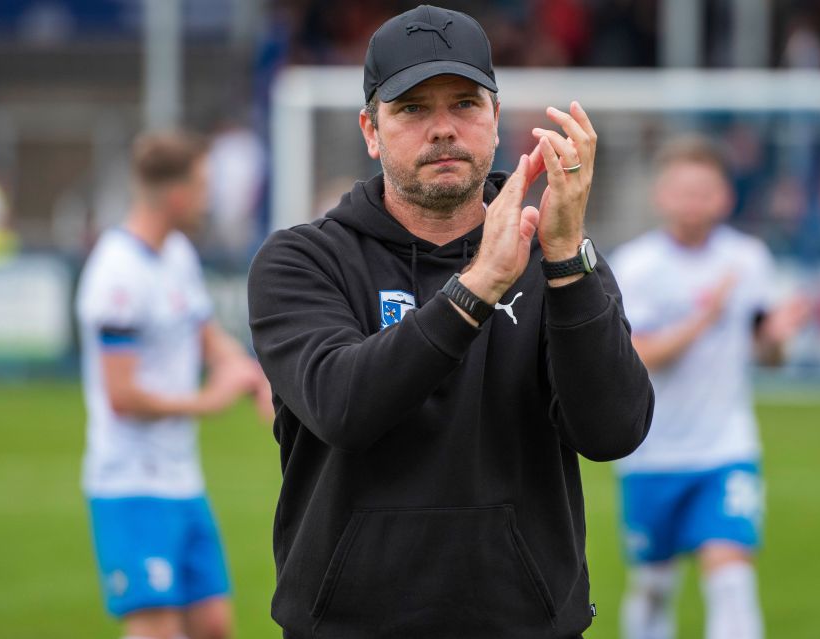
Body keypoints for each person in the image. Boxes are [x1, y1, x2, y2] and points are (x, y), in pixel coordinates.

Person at [247, 5, 655, 638]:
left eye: (464, 104)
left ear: (496, 120)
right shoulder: (303, 259)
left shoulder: (555, 256)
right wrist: (478, 286)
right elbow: (344, 406)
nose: (443, 128)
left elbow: (614, 431)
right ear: (371, 130)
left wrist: (569, 261)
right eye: (412, 108)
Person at [609, 136, 810, 639]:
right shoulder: (637, 265)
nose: (694, 200)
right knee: (654, 585)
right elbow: (640, 354)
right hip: (651, 453)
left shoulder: (748, 259)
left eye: (706, 190)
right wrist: (705, 317)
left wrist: (777, 340)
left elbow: (767, 353)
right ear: (661, 195)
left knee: (732, 579)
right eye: (683, 189)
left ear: (726, 196)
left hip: (726, 448)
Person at [76, 130, 272, 639]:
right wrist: (209, 402)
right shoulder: (115, 273)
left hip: (182, 480)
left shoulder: (177, 254)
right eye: (204, 186)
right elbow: (121, 397)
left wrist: (257, 379)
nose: (208, 200)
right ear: (179, 194)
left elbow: (207, 336)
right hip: (130, 485)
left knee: (212, 625)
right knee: (156, 630)